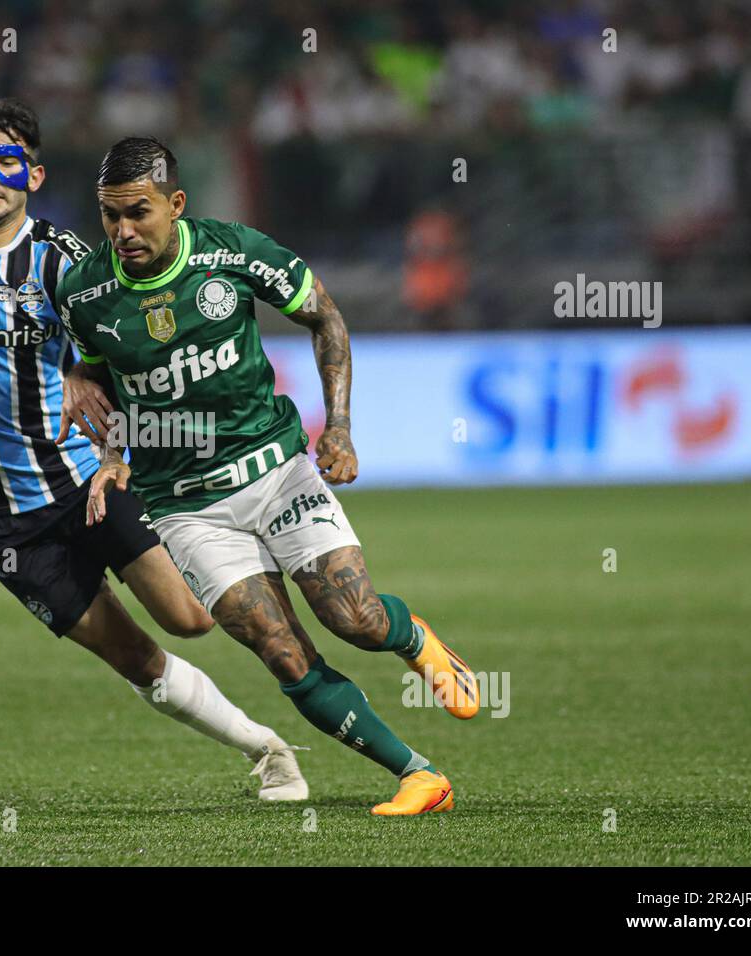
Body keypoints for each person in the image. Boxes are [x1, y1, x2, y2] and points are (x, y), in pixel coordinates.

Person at [0, 99, 308, 800]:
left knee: (192, 617)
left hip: (84, 480)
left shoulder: (67, 263)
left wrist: (117, 436)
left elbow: (120, 353)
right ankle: (267, 751)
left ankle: (275, 557)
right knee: (135, 658)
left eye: (7, 162)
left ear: (33, 173)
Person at [57, 136, 480, 816]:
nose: (122, 231)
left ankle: (412, 639)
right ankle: (419, 776)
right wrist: (98, 417)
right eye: (109, 216)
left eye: (138, 212)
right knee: (281, 653)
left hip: (275, 469)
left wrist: (338, 426)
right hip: (184, 507)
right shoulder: (84, 292)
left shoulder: (235, 251)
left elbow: (325, 316)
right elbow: (103, 369)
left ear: (176, 203)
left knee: (355, 618)